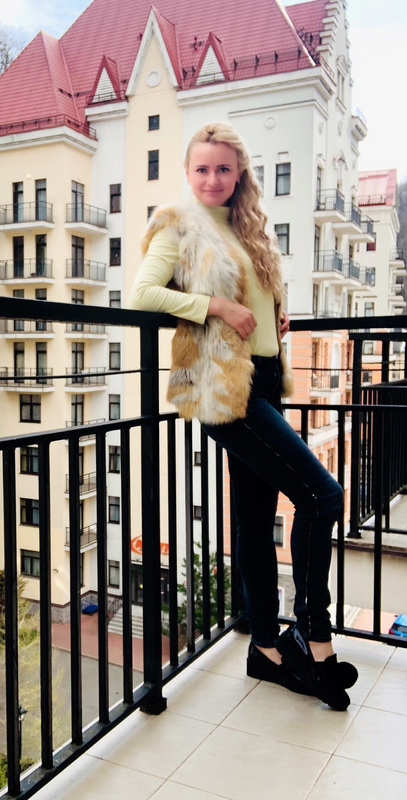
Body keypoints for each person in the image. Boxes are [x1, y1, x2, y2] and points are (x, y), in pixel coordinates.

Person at [129, 122, 357, 711]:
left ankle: (266, 649)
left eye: (223, 169)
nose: (213, 179)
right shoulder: (178, 224)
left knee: (254, 520)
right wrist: (217, 307)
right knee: (323, 496)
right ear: (188, 172)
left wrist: (274, 313)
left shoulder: (246, 226)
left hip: (264, 379)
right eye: (202, 168)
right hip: (225, 390)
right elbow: (143, 293)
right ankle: (315, 637)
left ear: (239, 174)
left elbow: (257, 298)